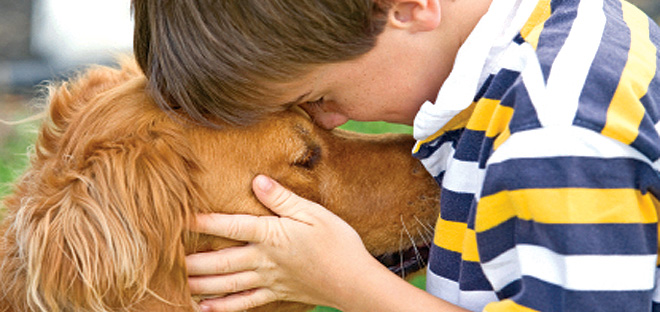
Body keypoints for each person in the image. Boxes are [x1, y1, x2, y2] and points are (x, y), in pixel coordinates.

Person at [132, 0, 660, 311]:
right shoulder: (570, 34)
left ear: (407, 6)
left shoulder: (553, 133)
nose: (331, 119)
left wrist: (352, 285)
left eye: (319, 98)